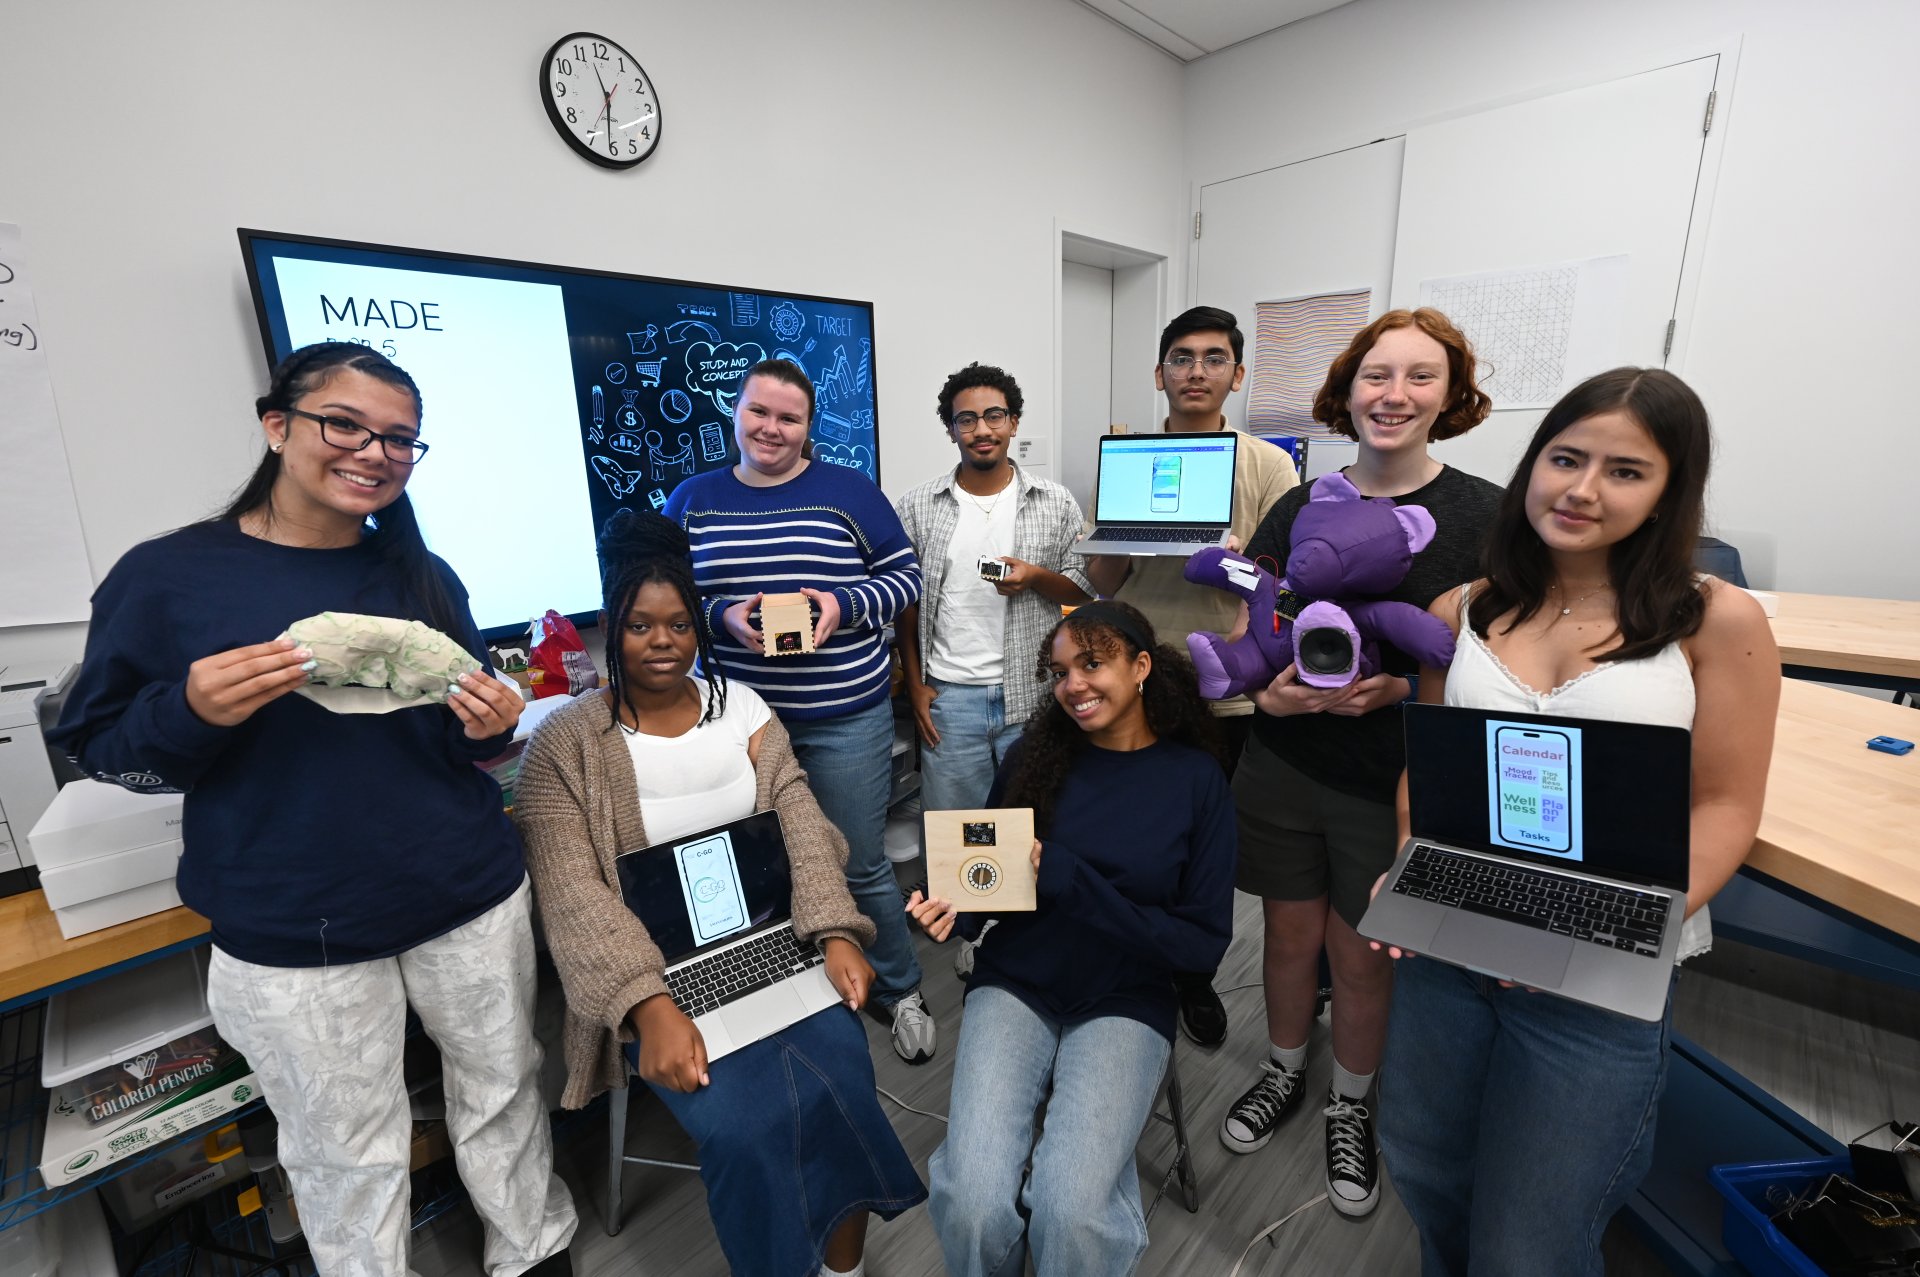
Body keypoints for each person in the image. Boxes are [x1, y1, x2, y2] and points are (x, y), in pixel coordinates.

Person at [49, 342, 576, 1276]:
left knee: (504, 1089)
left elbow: (458, 741)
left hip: (465, 888)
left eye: (401, 440)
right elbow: (99, 745)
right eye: (347, 424)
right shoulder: (169, 578)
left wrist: (492, 729)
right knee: (343, 1146)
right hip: (296, 919)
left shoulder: (420, 574)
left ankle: (533, 1250)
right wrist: (189, 710)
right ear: (277, 424)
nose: (374, 451)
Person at [1373, 367, 1778, 1276]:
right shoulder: (1467, 608)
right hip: (1454, 940)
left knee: (1532, 1241)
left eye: (1626, 470)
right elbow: (1429, 772)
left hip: (1602, 965)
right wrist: (1410, 861)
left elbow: (1724, 805)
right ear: (1533, 465)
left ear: (1672, 489)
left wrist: (1602, 927)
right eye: (1565, 457)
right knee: (1427, 1167)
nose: (1583, 489)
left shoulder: (1716, 621)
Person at [514, 509, 925, 1277]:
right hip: (657, 978)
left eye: (677, 623)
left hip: (777, 946)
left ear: (698, 626)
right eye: (639, 625)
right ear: (611, 627)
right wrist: (649, 1004)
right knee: (746, 1130)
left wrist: (836, 931)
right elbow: (573, 899)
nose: (662, 640)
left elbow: (801, 820)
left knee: (847, 1086)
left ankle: (844, 1270)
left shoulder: (744, 709)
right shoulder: (564, 746)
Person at [1218, 308, 1500, 1220]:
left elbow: (1498, 667)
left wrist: (1409, 692)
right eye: (1377, 375)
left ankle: (1350, 1101)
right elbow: (1249, 626)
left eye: (1422, 376)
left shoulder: (1485, 515)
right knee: (1289, 937)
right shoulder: (1300, 501)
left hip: (1393, 782)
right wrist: (1268, 697)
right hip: (1283, 762)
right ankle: (1283, 1069)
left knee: (1364, 953)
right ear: (1347, 389)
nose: (1395, 395)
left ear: (1452, 394)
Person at [907, 601, 1235, 1277]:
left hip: (1125, 998)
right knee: (972, 1200)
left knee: (1070, 1210)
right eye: (1059, 672)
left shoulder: (1197, 781)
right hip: (1018, 981)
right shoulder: (1037, 755)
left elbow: (1200, 945)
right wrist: (954, 908)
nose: (1074, 685)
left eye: (1093, 663)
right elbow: (991, 870)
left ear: (1141, 666)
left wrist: (1070, 878)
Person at [662, 359, 935, 1062]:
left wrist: (843, 606)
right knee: (760, 867)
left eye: (788, 417)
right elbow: (664, 594)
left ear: (809, 427)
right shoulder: (694, 499)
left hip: (845, 715)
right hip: (737, 724)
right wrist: (722, 618)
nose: (771, 428)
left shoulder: (848, 491)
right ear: (736, 411)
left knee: (857, 860)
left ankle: (900, 987)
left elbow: (904, 577)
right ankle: (801, 990)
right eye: (759, 412)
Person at [1083, 305, 1300, 1049]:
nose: (1196, 372)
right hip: (1138, 669)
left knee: (1205, 840)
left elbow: (1283, 585)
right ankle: (1134, 953)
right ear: (1160, 374)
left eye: (1213, 359)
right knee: (1137, 828)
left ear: (1236, 375)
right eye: (1181, 358)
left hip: (1225, 688)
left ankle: (1193, 973)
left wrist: (1233, 556)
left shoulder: (1268, 464)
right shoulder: (1126, 455)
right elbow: (1104, 582)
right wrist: (1113, 537)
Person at [895, 361, 1092, 813]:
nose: (981, 429)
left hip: (1034, 690)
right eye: (966, 419)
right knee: (958, 837)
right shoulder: (917, 506)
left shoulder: (1054, 501)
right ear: (951, 430)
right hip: (950, 696)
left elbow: (1081, 592)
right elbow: (905, 604)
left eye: (994, 416)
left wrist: (1036, 577)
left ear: (1013, 422)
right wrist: (915, 685)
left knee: (1037, 824)